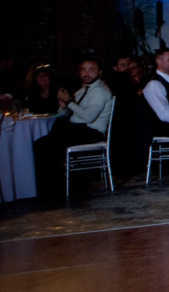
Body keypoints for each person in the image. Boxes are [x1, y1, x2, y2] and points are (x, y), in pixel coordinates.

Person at [32, 58, 114, 199]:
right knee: (44, 142)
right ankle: (51, 188)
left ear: (99, 73)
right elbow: (67, 114)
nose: (86, 73)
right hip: (78, 129)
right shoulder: (82, 91)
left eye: (91, 70)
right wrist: (63, 106)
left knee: (45, 145)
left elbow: (89, 117)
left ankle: (53, 190)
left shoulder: (99, 91)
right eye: (83, 69)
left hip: (92, 133)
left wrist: (69, 101)